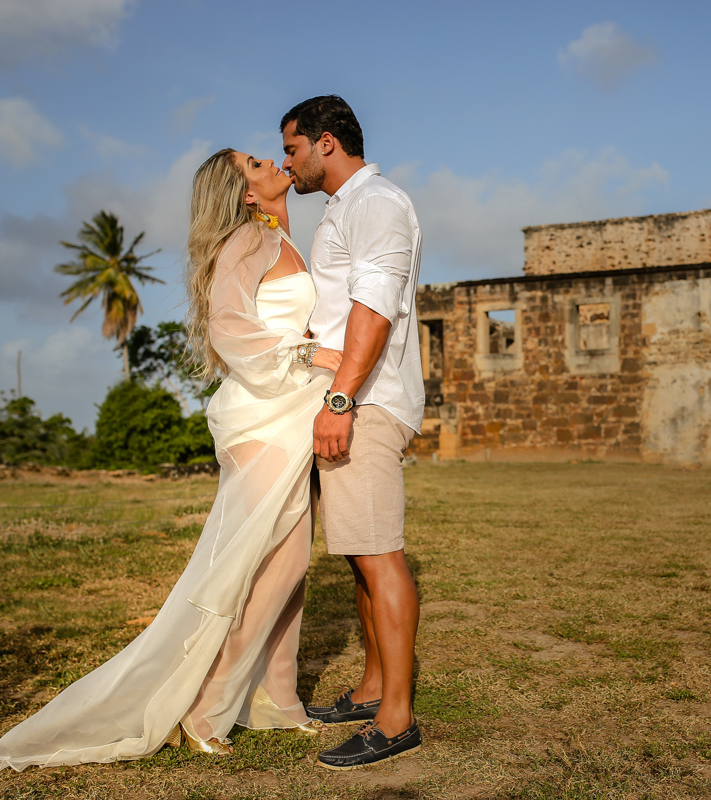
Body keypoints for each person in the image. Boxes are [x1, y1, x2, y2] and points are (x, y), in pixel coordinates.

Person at [0, 148, 340, 772]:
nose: (273, 162)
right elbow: (230, 329)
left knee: (291, 564)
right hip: (262, 415)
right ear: (246, 194)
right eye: (257, 164)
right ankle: (204, 707)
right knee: (268, 566)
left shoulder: (281, 238)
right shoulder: (248, 241)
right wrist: (311, 358)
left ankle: (278, 699)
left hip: (287, 410)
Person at [280, 95, 426, 771]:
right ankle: (372, 689)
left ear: (327, 143)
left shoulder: (376, 203)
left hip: (366, 401)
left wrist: (340, 400)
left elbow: (375, 305)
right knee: (358, 554)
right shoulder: (344, 209)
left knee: (379, 553)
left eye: (292, 149)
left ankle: (396, 719)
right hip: (351, 397)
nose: (289, 163)